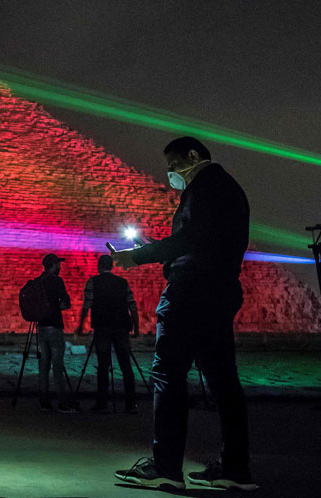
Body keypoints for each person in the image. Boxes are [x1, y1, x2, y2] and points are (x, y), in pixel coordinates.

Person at [112, 137, 257, 491]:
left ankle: (166, 467)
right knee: (224, 381)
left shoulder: (205, 187)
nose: (171, 174)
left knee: (168, 375)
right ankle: (234, 470)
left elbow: (190, 239)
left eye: (174, 165)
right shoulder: (230, 189)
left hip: (190, 292)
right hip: (220, 291)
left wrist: (139, 256)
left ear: (193, 156)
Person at [77, 254, 139, 413]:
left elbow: (87, 305)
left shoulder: (93, 282)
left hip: (102, 326)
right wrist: (137, 327)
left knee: (103, 365)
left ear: (99, 266)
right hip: (121, 327)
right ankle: (130, 404)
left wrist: (80, 325)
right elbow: (132, 305)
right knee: (126, 365)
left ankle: (102, 403)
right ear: (112, 266)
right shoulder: (122, 283)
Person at [35, 253, 78, 413]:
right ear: (53, 265)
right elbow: (66, 302)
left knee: (43, 365)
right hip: (54, 326)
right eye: (58, 264)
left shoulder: (38, 282)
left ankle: (44, 401)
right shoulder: (57, 281)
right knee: (57, 365)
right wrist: (57, 307)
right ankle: (62, 402)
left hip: (41, 327)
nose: (60, 267)